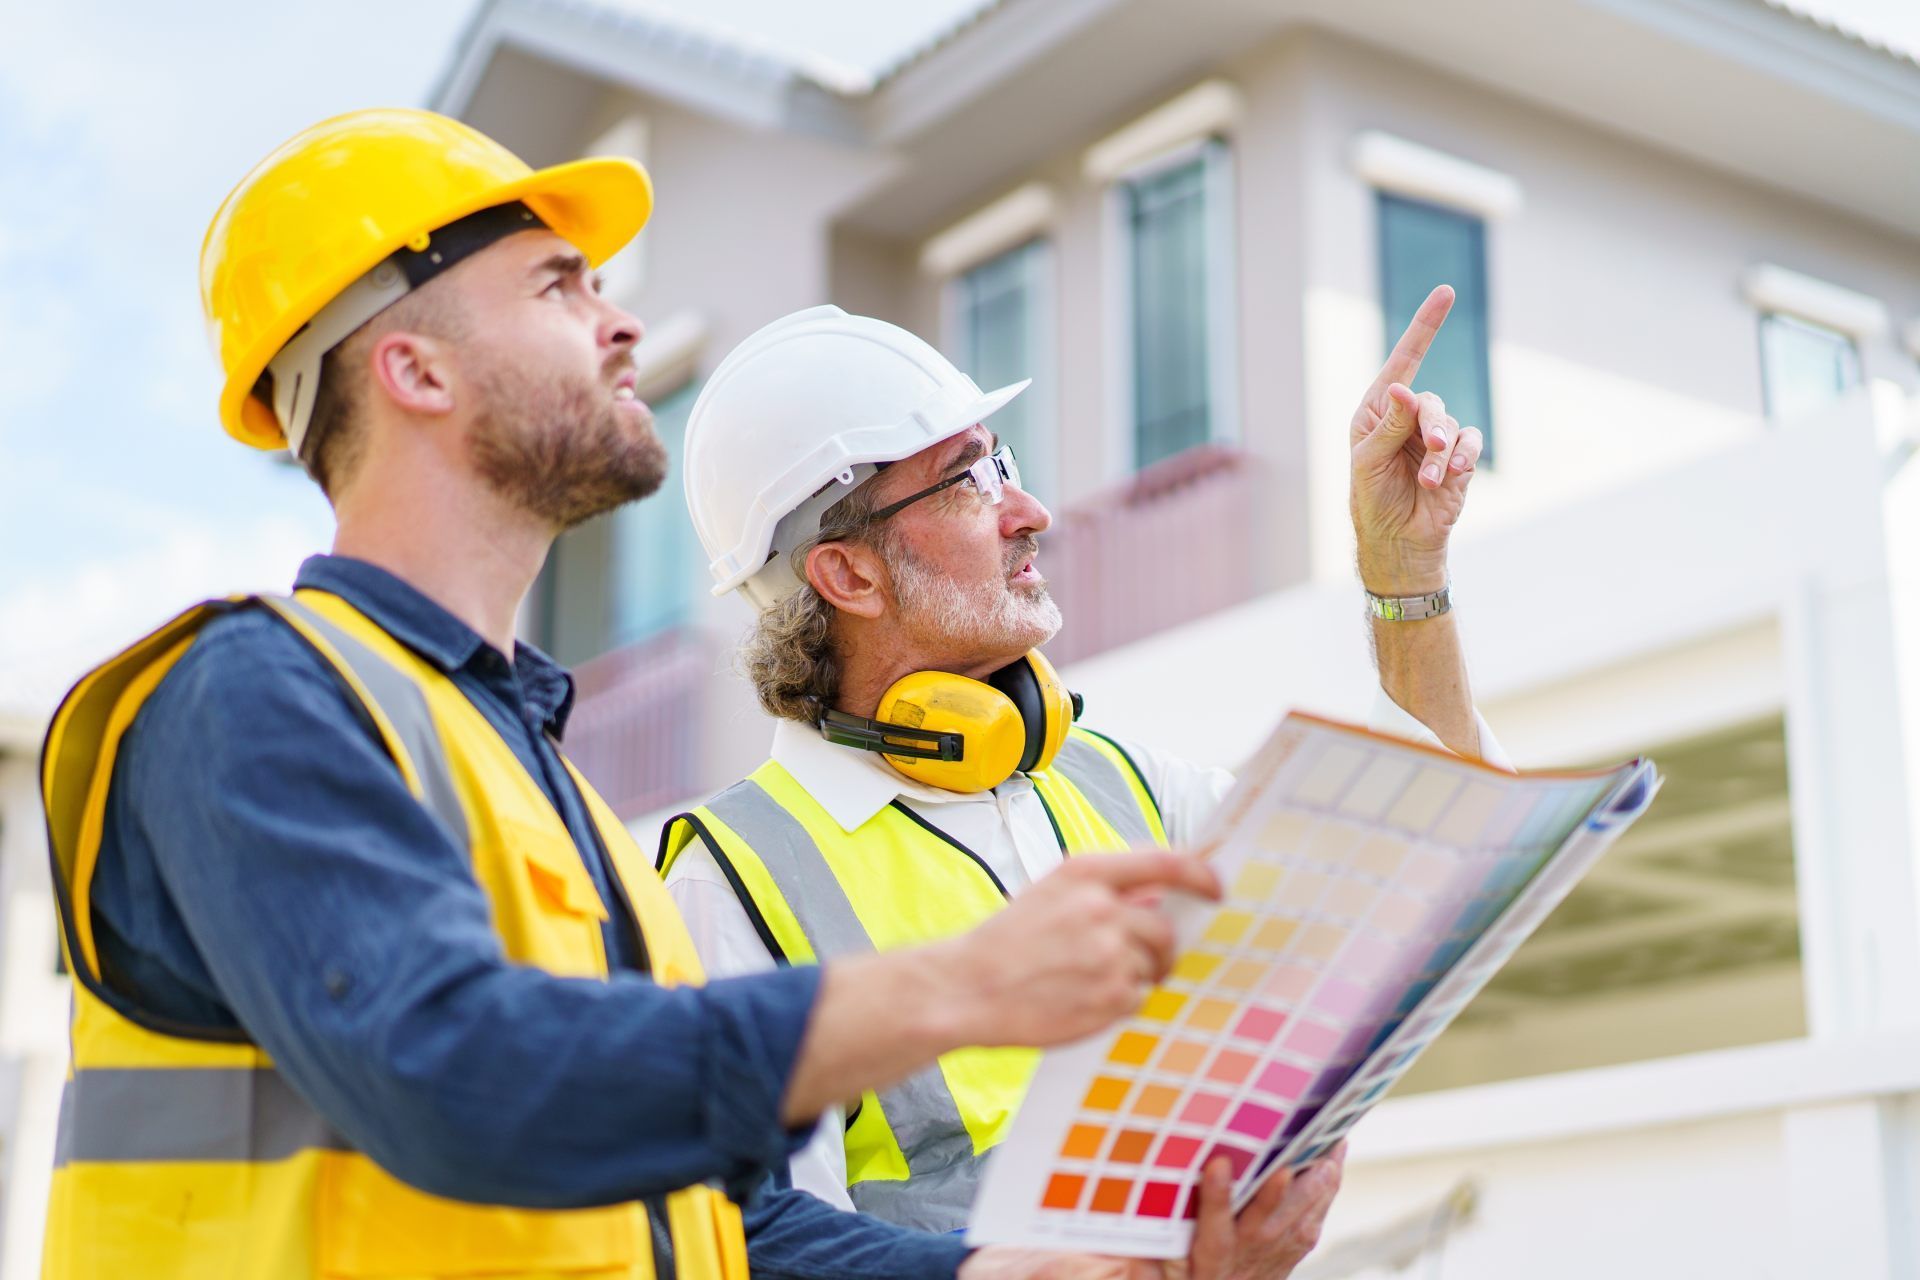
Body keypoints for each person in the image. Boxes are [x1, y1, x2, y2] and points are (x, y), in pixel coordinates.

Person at [39, 108, 1243, 1280]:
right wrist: (962, 983)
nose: (621, 326)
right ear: (414, 367)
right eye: (560, 287)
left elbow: (710, 1211)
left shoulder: (538, 785)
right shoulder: (248, 696)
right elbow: (454, 1073)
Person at [661, 302, 1504, 1244]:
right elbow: (775, 1256)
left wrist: (1405, 565)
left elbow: (1427, 872)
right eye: (966, 482)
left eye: (1002, 462)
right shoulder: (728, 885)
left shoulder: (1115, 782)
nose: (1031, 512)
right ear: (848, 576)